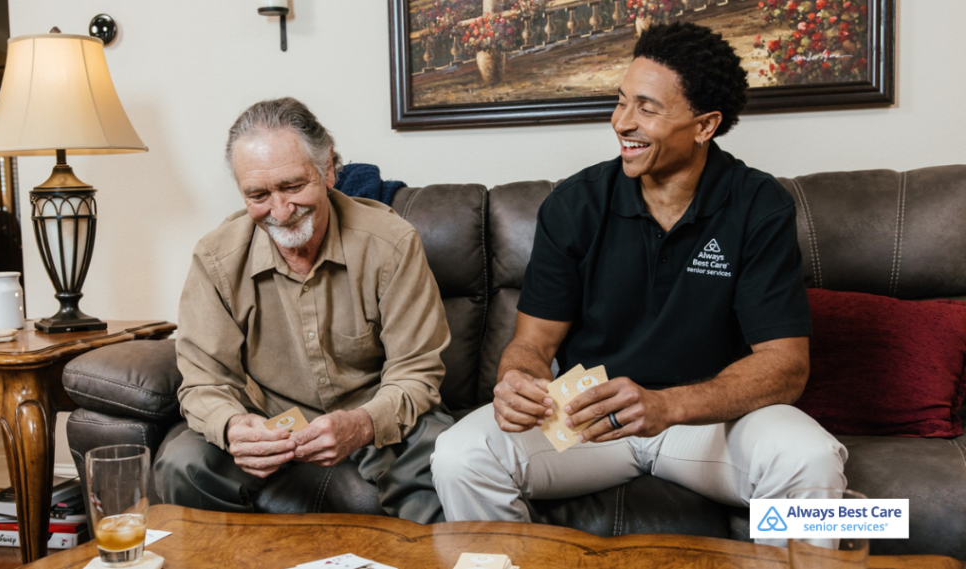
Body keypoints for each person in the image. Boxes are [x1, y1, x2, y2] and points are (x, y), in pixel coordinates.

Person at [430, 22, 847, 541]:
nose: (621, 122)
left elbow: (786, 367)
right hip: (590, 420)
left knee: (811, 458)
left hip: (707, 424)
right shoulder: (574, 204)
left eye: (647, 108)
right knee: (459, 455)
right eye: (621, 101)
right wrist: (517, 379)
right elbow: (532, 342)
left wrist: (666, 406)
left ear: (705, 125)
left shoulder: (758, 206)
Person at [156, 97, 452, 524]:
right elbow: (204, 381)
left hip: (374, 418)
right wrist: (233, 427)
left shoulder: (391, 243)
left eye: (293, 186)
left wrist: (362, 424)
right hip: (269, 425)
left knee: (438, 447)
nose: (280, 211)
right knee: (182, 462)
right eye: (258, 194)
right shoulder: (215, 258)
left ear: (329, 169)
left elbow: (418, 374)